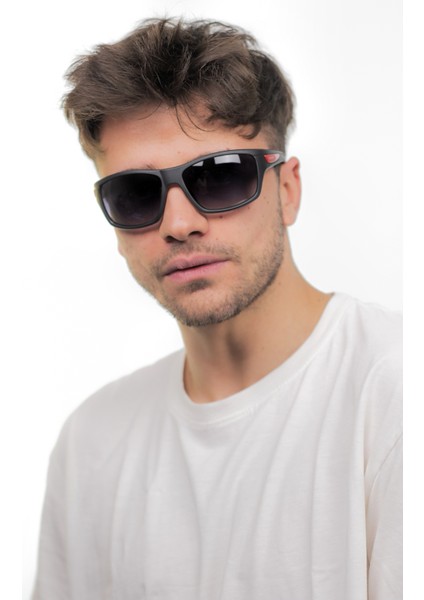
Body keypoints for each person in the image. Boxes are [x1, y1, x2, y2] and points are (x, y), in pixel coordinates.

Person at [32, 17, 402, 600]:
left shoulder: (396, 392)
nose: (179, 224)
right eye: (135, 193)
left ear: (287, 191)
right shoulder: (91, 444)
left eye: (220, 178)